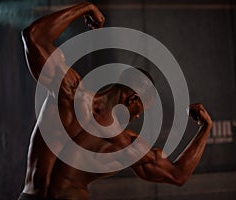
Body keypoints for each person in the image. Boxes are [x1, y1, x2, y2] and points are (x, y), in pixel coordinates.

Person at [19, 2, 213, 200]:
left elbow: (34, 37)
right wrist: (205, 128)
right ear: (132, 99)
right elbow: (177, 175)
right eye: (140, 110)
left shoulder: (68, 90)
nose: (137, 116)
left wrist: (85, 8)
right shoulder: (126, 144)